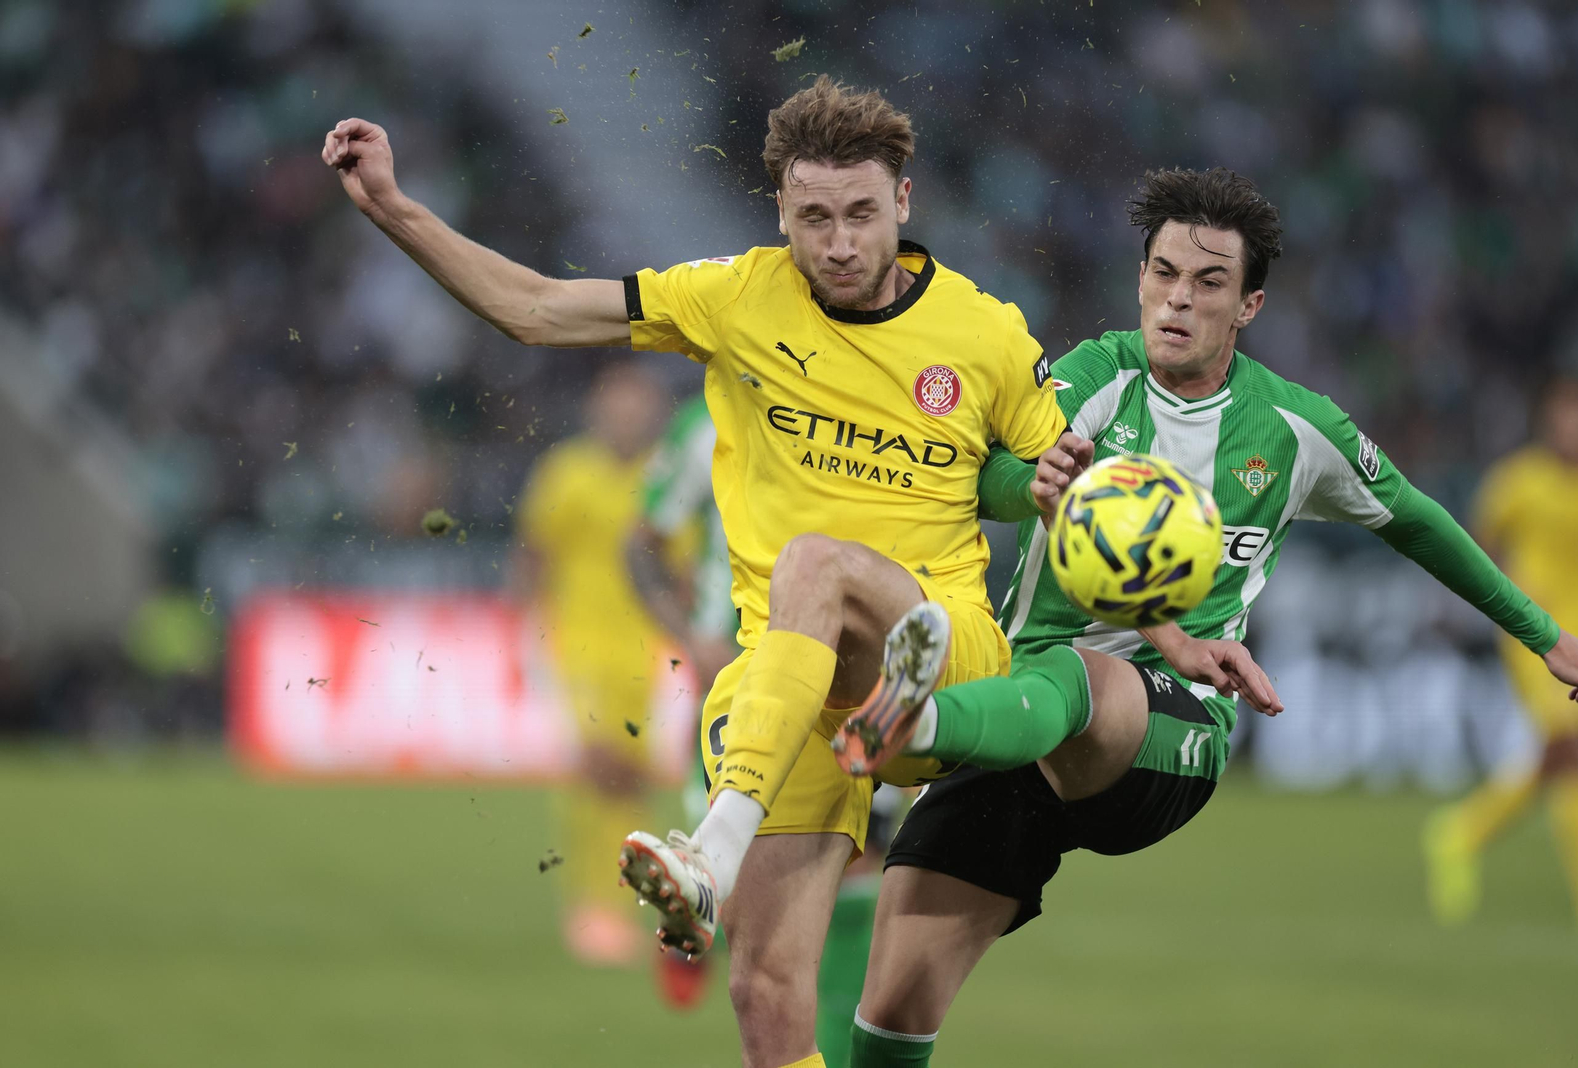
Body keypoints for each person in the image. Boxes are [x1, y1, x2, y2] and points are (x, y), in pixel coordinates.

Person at [323, 74, 1069, 1068]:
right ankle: (740, 836)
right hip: (796, 688)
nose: (838, 243)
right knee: (766, 1000)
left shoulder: (985, 334)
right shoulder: (734, 298)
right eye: (812, 218)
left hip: (937, 646)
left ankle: (708, 850)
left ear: (902, 199)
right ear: (780, 212)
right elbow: (538, 308)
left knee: (818, 562)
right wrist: (396, 209)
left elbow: (1062, 488)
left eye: (858, 214)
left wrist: (1114, 577)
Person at [831, 168, 1578, 1067]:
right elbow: (989, 479)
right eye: (1162, 273)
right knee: (889, 1018)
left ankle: (912, 719)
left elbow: (1419, 522)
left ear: (1250, 305)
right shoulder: (1090, 380)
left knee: (1088, 680)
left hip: (1172, 724)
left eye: (1208, 284)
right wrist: (1031, 483)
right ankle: (927, 727)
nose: (1177, 300)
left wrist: (1545, 636)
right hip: (1017, 725)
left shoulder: (1292, 429)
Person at [626, 392, 902, 1063]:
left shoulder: (878, 390)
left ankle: (825, 1045)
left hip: (859, 679)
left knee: (861, 868)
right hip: (746, 686)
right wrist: (688, 633)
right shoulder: (706, 421)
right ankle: (704, 916)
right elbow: (640, 545)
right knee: (755, 900)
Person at [1425, 377, 1578, 940]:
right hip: (1538, 639)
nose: (1574, 427)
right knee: (1569, 751)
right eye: (1564, 415)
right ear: (1549, 422)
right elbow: (1479, 546)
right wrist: (1510, 601)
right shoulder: (1518, 481)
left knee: (1562, 759)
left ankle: (1462, 831)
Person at [513, 361, 668, 966]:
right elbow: (533, 553)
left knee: (630, 774)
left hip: (645, 649)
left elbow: (678, 564)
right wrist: (521, 625)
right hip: (575, 643)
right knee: (595, 770)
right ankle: (590, 907)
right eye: (618, 402)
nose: (628, 414)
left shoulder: (663, 478)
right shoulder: (566, 472)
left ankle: (622, 901)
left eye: (639, 403)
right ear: (598, 408)